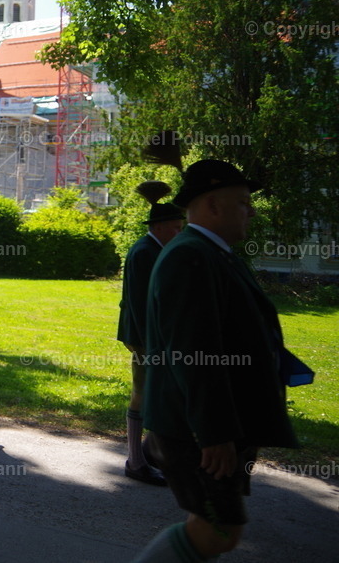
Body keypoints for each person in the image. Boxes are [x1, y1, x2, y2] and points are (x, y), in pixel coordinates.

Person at [134, 160, 299, 562]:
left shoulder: (210, 253)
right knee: (217, 530)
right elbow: (194, 353)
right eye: (243, 202)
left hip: (210, 428)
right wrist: (214, 433)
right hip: (196, 432)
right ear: (212, 205)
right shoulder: (190, 256)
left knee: (219, 528)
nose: (252, 211)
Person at [116, 183, 184, 486]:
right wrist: (154, 343)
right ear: (158, 226)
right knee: (144, 394)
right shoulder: (145, 252)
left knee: (155, 393)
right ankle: (137, 460)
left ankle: (147, 453)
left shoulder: (153, 249)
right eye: (175, 227)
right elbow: (143, 304)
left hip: (149, 337)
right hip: (146, 337)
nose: (179, 233)